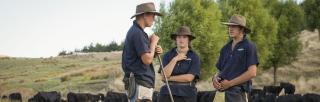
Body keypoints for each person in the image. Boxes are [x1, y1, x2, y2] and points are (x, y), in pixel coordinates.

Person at [212, 14, 259, 102]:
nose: (230, 29)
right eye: (229, 26)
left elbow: (252, 73)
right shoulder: (225, 48)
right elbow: (220, 70)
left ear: (241, 29)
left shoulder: (249, 46)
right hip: (220, 93)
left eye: (234, 26)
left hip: (237, 95)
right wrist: (214, 78)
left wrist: (230, 84)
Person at [122, 2, 162, 102]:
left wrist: (154, 51)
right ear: (144, 15)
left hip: (138, 83)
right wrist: (153, 43)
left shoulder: (136, 32)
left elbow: (141, 57)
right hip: (140, 84)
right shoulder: (138, 33)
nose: (154, 18)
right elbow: (147, 59)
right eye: (153, 15)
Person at [158, 26, 200, 102]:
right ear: (175, 39)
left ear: (188, 40)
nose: (181, 39)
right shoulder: (168, 55)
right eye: (179, 37)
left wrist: (169, 78)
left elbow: (189, 78)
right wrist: (175, 59)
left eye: (184, 37)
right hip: (167, 92)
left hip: (187, 94)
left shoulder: (194, 56)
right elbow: (163, 76)